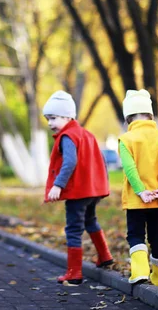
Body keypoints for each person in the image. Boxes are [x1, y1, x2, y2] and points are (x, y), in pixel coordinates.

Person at [43, 90, 113, 285]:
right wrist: (101, 185)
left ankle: (74, 273)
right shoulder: (86, 134)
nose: (50, 123)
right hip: (93, 191)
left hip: (78, 192)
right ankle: (105, 255)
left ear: (67, 117)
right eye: (48, 118)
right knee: (90, 220)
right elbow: (101, 161)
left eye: (53, 118)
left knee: (73, 229)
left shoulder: (67, 136)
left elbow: (70, 162)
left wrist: (58, 185)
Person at [118, 89, 158, 288]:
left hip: (137, 199)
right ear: (150, 115)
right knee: (157, 234)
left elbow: (129, 168)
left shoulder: (126, 139)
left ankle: (140, 271)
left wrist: (140, 190)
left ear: (128, 118)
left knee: (135, 234)